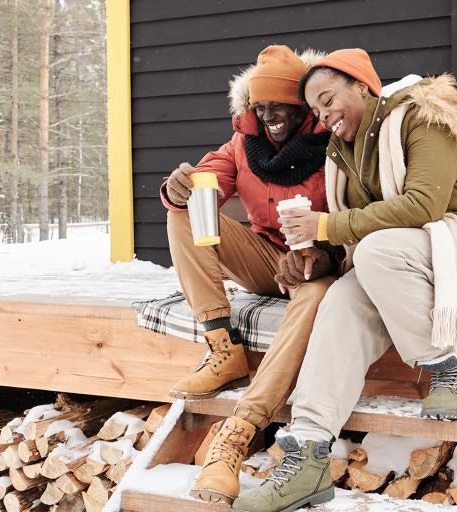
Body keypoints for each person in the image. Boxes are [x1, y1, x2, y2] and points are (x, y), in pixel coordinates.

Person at [230, 49, 457, 512]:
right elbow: (355, 237)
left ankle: (447, 363)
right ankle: (307, 454)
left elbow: (423, 206)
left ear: (361, 85)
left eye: (329, 98)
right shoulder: (342, 151)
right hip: (400, 266)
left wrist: (325, 227)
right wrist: (321, 256)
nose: (324, 114)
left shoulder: (421, 117)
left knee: (378, 250)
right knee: (339, 300)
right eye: (317, 110)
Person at [160, 45, 340, 504]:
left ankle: (239, 430)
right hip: (264, 258)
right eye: (259, 106)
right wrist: (182, 187)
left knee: (318, 297)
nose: (268, 114)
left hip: (321, 265)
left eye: (278, 104)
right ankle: (223, 348)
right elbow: (208, 183)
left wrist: (319, 255)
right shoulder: (242, 142)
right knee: (182, 211)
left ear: (303, 103)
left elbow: (359, 215)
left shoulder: (336, 139)